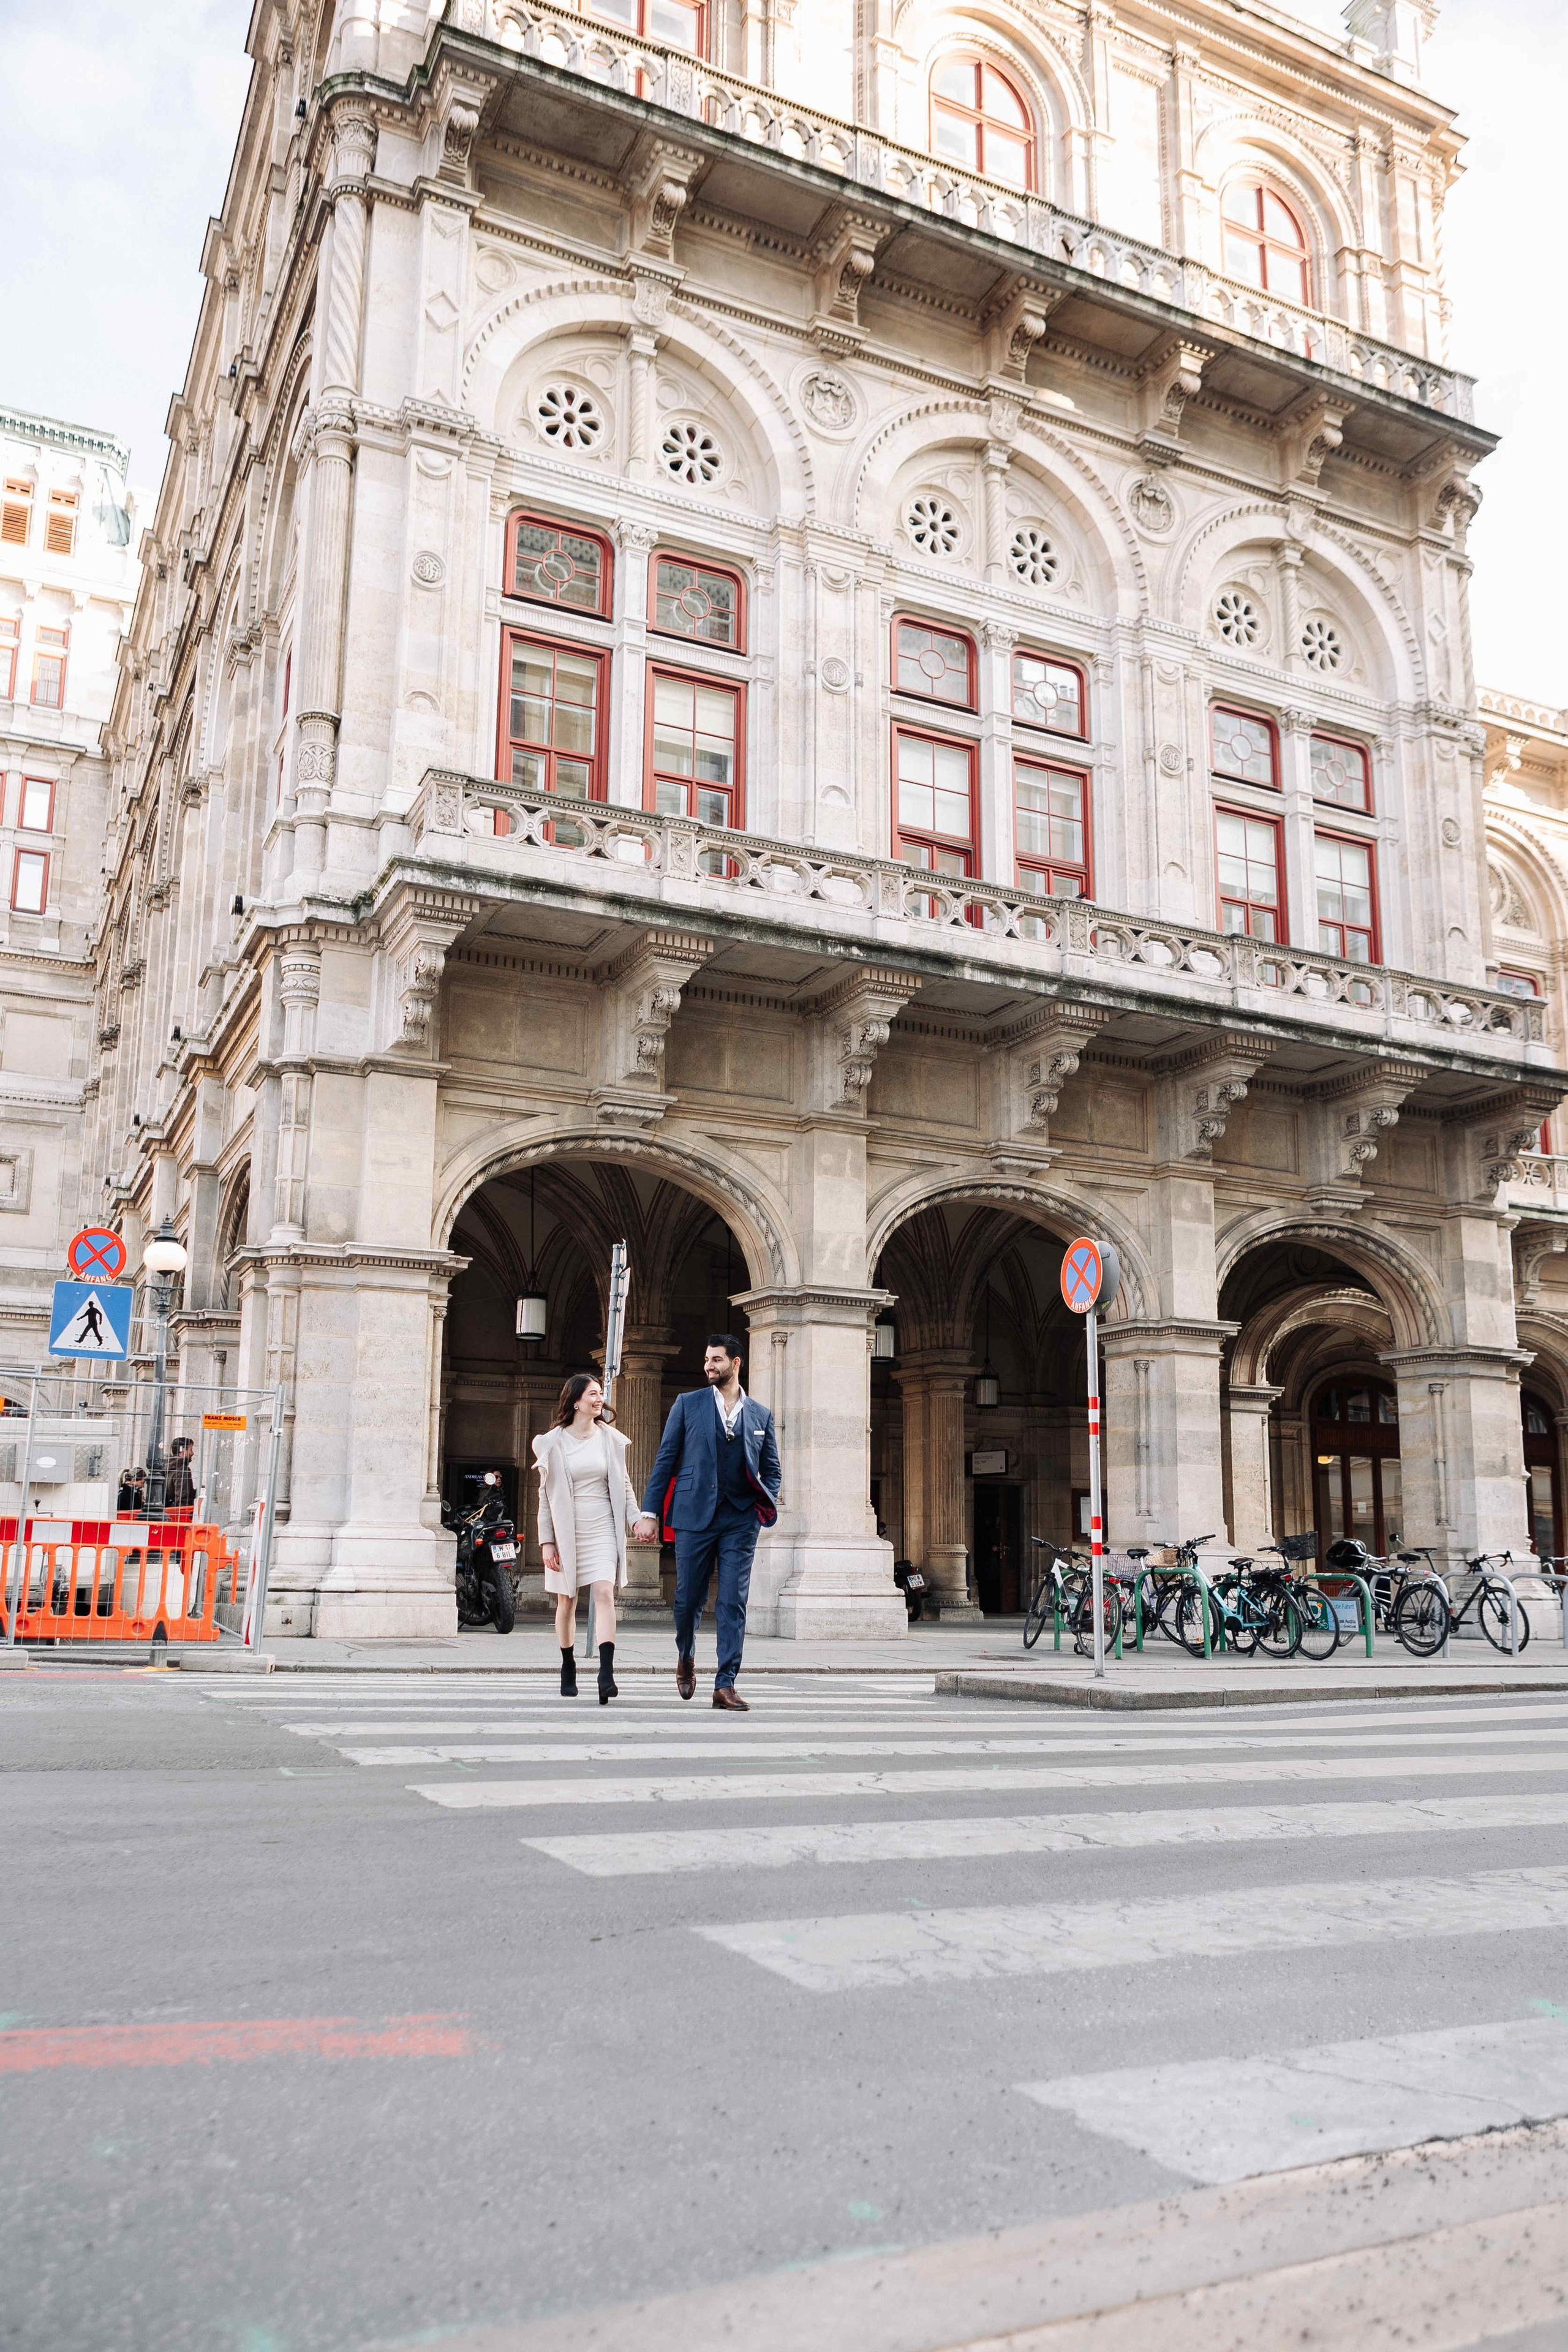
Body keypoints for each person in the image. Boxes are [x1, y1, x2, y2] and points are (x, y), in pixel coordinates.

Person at [636, 1333, 780, 1711]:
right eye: (706, 1360)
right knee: (688, 1599)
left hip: (740, 1519)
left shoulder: (761, 1415)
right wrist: (649, 1514)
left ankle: (725, 1684)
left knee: (733, 1600)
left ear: (735, 1364)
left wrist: (763, 1502)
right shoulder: (688, 1404)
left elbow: (772, 1469)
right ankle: (686, 1655)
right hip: (693, 1515)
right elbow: (665, 1459)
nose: (708, 1366)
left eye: (716, 1360)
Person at [533, 1374, 652, 1702]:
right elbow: (545, 1496)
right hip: (566, 1530)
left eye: (601, 1393)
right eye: (593, 1394)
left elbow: (624, 1486)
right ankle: (568, 1665)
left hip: (602, 1525)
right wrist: (547, 1542)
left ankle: (606, 1673)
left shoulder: (610, 1439)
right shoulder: (552, 1442)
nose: (599, 1399)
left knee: (603, 1591)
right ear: (575, 1401)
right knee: (567, 1601)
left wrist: (635, 1520)